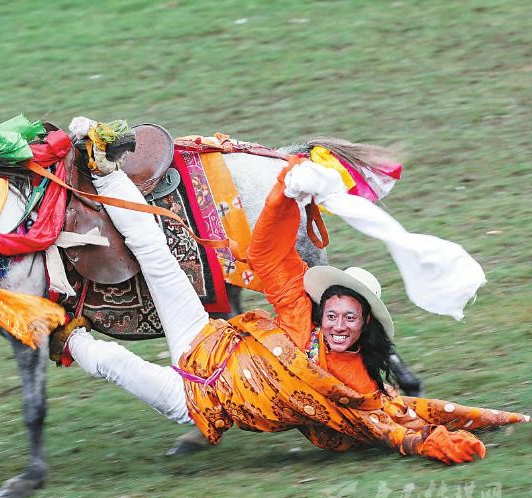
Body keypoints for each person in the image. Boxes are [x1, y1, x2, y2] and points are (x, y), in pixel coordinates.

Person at [57, 132, 529, 465]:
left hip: (194, 397)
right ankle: (103, 165)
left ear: (364, 325)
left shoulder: (358, 384)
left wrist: (445, 439)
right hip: (203, 340)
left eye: (350, 319)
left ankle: (50, 326)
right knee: (157, 254)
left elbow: (395, 420)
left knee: (107, 361)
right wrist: (284, 192)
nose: (339, 325)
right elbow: (269, 254)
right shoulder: (301, 311)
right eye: (335, 314)